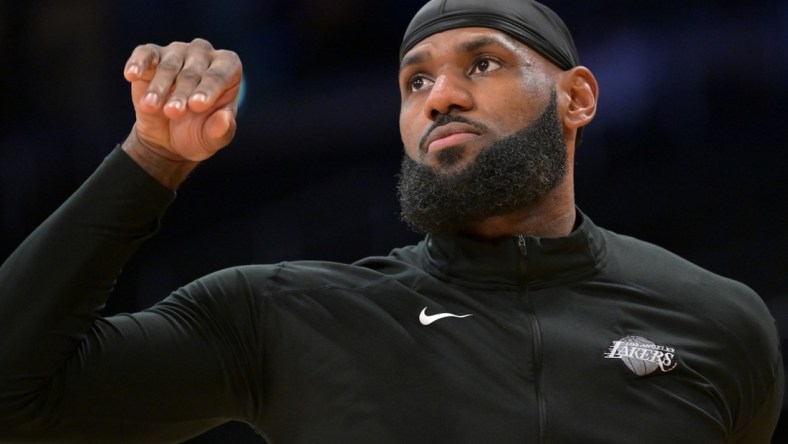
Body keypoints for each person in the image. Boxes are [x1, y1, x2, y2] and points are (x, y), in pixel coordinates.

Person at [0, 0, 782, 442]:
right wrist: (150, 156)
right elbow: (16, 389)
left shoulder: (717, 323)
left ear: (576, 97)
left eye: (482, 64)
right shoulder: (282, 316)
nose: (439, 95)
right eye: (416, 80)